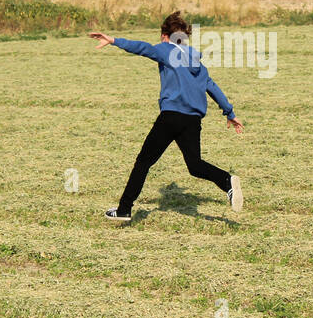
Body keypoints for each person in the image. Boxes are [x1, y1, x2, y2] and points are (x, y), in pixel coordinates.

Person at [89, 11, 242, 221]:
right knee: (195, 165)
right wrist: (230, 112)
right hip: (192, 120)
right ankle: (226, 181)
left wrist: (114, 40)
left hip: (171, 117)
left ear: (165, 35)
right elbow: (211, 87)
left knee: (143, 162)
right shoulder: (197, 62)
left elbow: (143, 48)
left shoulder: (167, 50)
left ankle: (124, 209)